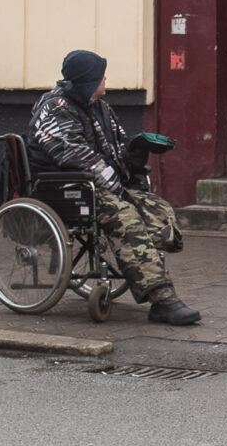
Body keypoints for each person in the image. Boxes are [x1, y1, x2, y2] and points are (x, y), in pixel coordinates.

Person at [26, 50, 199, 326]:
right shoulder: (55, 108)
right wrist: (117, 186)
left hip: (101, 185)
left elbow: (116, 147)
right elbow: (75, 155)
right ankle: (162, 298)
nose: (105, 78)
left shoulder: (100, 107)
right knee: (125, 217)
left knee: (157, 210)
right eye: (100, 75)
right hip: (69, 188)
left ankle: (141, 267)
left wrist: (133, 157)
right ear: (87, 80)